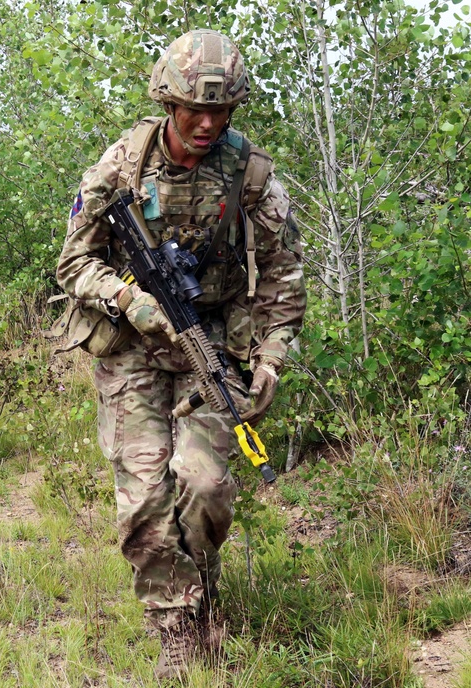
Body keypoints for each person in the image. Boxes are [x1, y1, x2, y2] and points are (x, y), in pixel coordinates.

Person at [55, 30, 305, 678]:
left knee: (203, 486)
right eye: (192, 108)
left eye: (219, 112)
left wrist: (271, 358)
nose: (205, 123)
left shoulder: (250, 176)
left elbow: (283, 278)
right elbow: (73, 263)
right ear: (168, 101)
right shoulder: (121, 167)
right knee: (143, 497)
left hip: (209, 346)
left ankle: (202, 584)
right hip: (132, 350)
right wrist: (124, 297)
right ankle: (177, 623)